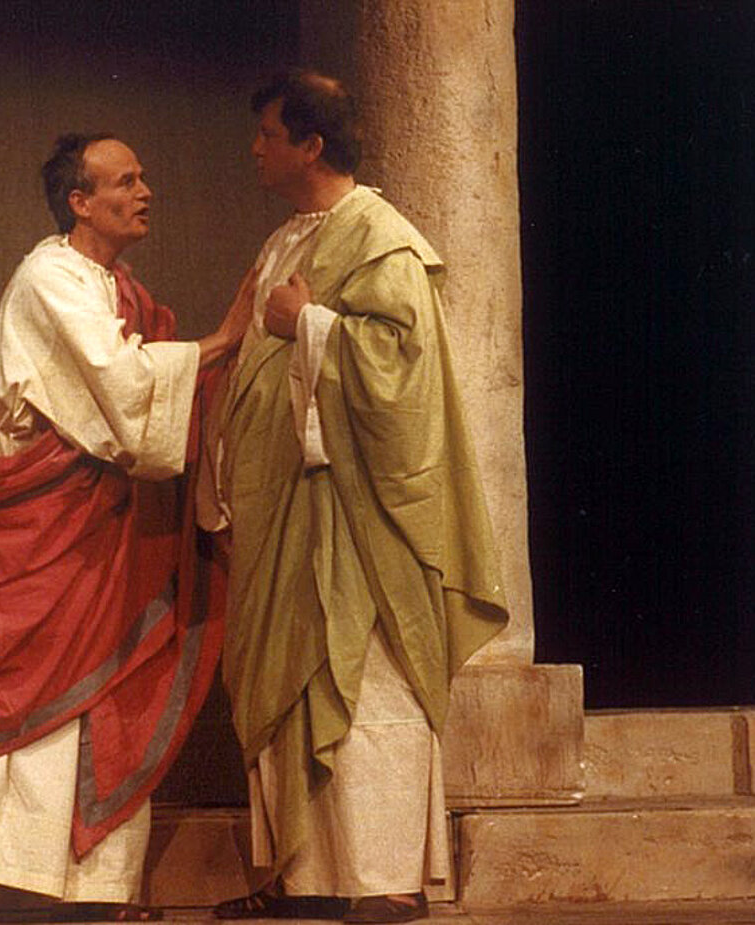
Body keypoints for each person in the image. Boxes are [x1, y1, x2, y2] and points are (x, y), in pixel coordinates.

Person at [0, 134, 252, 925]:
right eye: (125, 181)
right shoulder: (49, 276)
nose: (144, 191)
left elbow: (137, 400)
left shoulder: (122, 289)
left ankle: (88, 889)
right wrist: (223, 340)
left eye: (143, 177)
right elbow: (123, 385)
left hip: (93, 536)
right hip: (31, 531)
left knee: (94, 698)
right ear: (80, 202)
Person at [199, 71, 510, 923]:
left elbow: (404, 372)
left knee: (365, 680)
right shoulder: (285, 240)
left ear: (312, 144)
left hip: (355, 514)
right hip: (285, 511)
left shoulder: (381, 238)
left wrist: (309, 324)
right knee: (290, 682)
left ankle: (385, 878)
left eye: (268, 134)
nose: (255, 149)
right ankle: (304, 877)